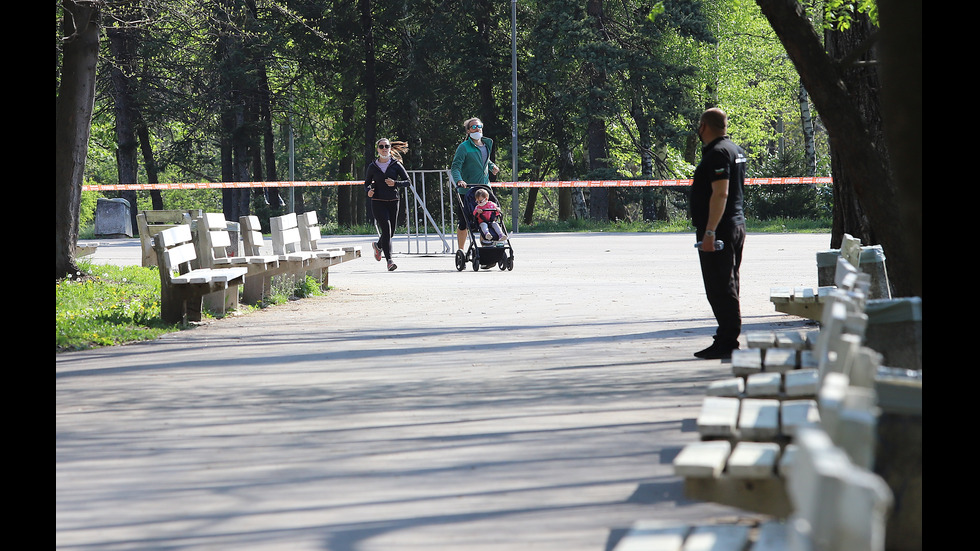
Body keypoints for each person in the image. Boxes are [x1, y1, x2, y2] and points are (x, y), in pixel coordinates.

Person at [690, 107, 747, 360]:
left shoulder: (717, 153)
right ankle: (726, 335)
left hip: (720, 229)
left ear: (704, 126)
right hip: (735, 224)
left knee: (719, 286)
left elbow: (721, 193)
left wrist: (710, 232)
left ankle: (727, 340)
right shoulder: (735, 149)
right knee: (728, 283)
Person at [450, 117, 500, 251]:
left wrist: (492, 166)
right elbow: (455, 167)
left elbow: (485, 161)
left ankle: (486, 249)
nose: (477, 129)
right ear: (468, 131)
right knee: (463, 223)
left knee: (487, 219)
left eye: (479, 126)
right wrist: (459, 180)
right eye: (473, 127)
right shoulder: (464, 147)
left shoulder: (486, 145)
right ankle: (460, 250)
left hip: (484, 189)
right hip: (467, 190)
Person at [364, 138, 411, 271]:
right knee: (386, 230)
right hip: (378, 202)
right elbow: (366, 183)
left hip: (393, 201)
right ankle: (389, 261)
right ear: (377, 149)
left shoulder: (396, 164)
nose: (384, 148)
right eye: (381, 146)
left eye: (387, 146)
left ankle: (378, 246)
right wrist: (369, 191)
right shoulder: (373, 166)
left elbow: (408, 181)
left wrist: (396, 183)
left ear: (390, 148)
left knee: (391, 233)